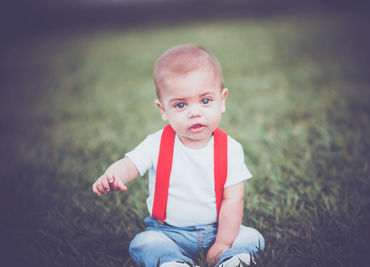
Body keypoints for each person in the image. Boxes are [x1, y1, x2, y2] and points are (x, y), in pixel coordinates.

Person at [92, 44, 265, 267]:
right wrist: (113, 174)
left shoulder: (231, 149)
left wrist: (223, 241)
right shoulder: (155, 144)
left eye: (205, 101)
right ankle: (173, 262)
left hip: (218, 229)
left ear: (222, 101)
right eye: (181, 104)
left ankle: (232, 259)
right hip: (169, 232)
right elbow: (129, 165)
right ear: (163, 109)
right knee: (143, 243)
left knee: (252, 237)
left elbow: (233, 200)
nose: (194, 112)